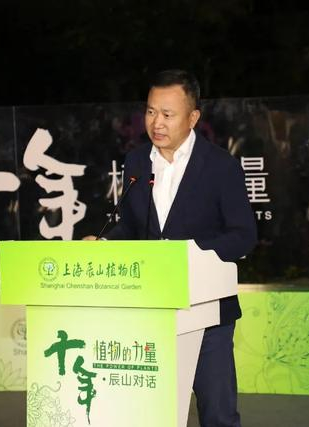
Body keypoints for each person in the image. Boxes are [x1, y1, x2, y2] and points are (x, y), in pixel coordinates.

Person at [88, 69, 257, 427]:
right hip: (152, 308)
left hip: (208, 311)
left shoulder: (221, 166)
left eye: (167, 114)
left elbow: (243, 235)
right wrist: (103, 244)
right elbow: (131, 227)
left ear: (193, 117)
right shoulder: (136, 162)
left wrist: (186, 253)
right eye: (151, 112)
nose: (157, 123)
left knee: (217, 414)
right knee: (155, 412)